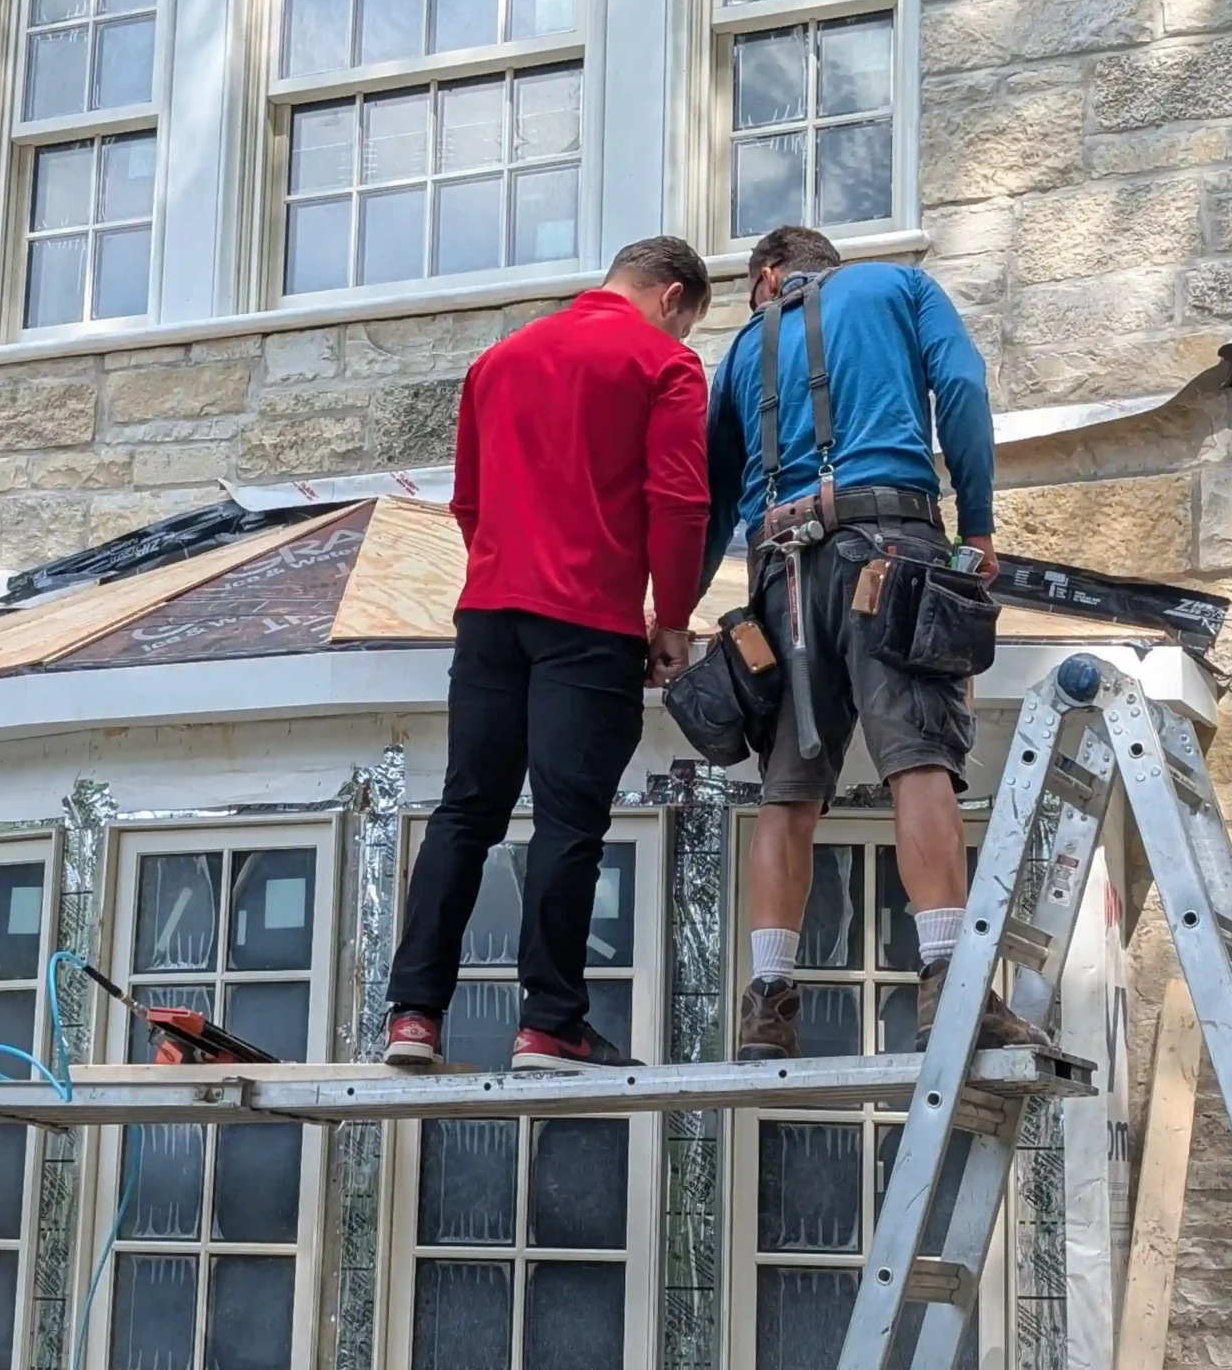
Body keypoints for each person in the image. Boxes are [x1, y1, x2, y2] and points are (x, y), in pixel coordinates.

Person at [702, 224, 1047, 1062]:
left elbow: (709, 496)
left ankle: (768, 1004)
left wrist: (673, 611)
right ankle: (946, 984)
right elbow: (961, 385)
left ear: (771, 274)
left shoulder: (745, 347)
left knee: (788, 791)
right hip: (888, 549)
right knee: (918, 761)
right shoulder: (902, 289)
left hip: (780, 583)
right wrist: (980, 523)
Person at [386, 237, 712, 1073]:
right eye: (690, 322)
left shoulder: (498, 360)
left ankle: (414, 1016)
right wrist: (670, 620)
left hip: (490, 612)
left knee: (467, 809)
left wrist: (504, 566)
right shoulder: (664, 365)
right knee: (569, 819)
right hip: (590, 620)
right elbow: (678, 501)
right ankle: (549, 1024)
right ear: (673, 296)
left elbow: (468, 499)